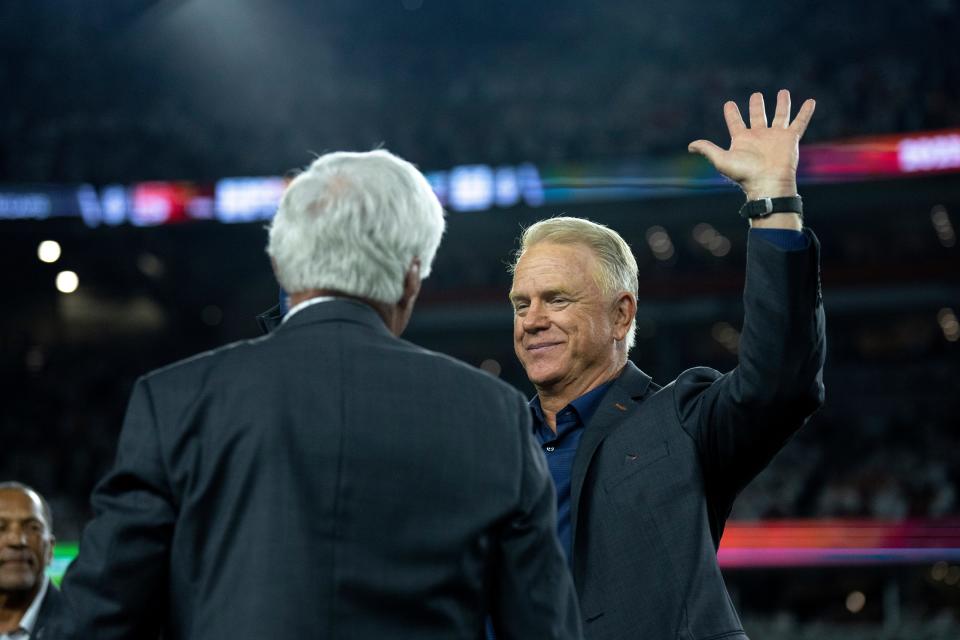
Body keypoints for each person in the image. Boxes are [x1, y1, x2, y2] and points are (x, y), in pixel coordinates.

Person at [56, 150, 582, 639]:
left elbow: (92, 620)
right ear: (411, 276)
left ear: (283, 266)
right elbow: (543, 628)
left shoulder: (176, 400)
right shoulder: (494, 414)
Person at [507, 90, 826, 639]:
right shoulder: (494, 443)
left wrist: (773, 203)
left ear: (620, 314)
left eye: (556, 299)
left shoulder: (682, 420)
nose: (532, 319)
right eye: (521, 303)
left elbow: (778, 385)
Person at [0, 482, 62, 640]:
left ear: (50, 550)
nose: (17, 540)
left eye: (33, 528)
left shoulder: (85, 625)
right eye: (1, 527)